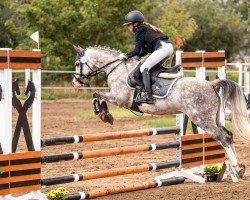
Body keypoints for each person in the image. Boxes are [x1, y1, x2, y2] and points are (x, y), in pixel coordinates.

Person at [119, 10, 174, 104]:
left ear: (135, 24)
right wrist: (135, 56)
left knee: (144, 67)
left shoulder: (139, 30)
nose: (128, 27)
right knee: (151, 67)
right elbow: (143, 51)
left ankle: (148, 95)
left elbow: (136, 51)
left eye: (129, 25)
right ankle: (157, 88)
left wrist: (125, 55)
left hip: (162, 49)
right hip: (168, 48)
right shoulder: (145, 28)